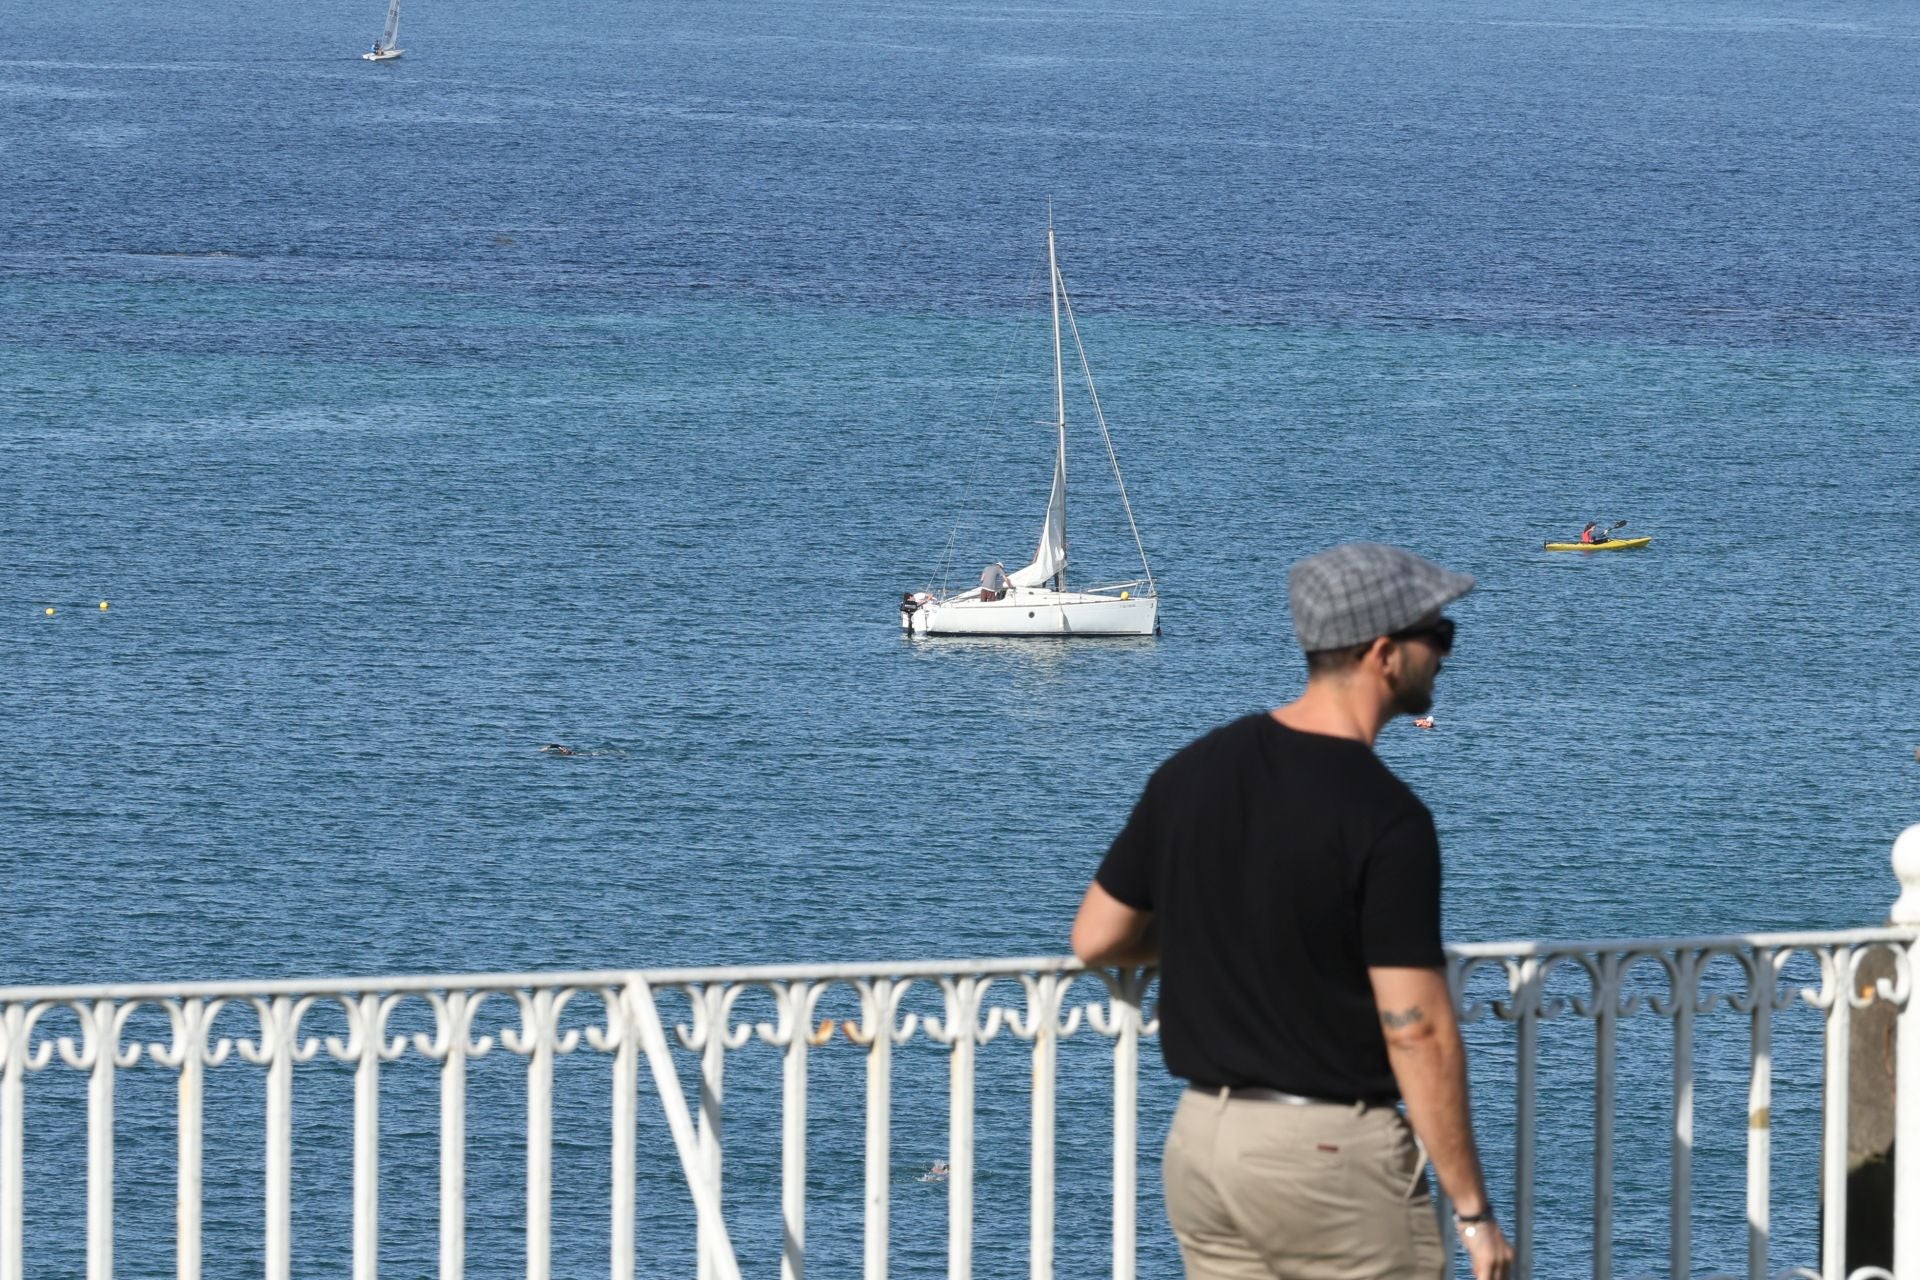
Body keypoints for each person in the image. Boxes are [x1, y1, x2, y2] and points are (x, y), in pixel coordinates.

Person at [1071, 542, 1512, 1280]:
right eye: (1439, 638)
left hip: (1205, 1149)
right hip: (1332, 1160)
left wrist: (1223, 933)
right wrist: (1473, 1213)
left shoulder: (1192, 771)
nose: (1445, 657)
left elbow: (1097, 938)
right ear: (1383, 653)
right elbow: (1419, 1030)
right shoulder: (1387, 819)